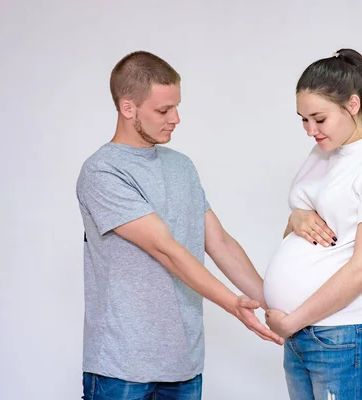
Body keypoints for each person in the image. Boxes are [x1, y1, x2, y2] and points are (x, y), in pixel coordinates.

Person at [76, 50, 283, 400]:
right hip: (121, 368)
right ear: (128, 108)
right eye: (163, 110)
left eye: (176, 106)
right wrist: (233, 304)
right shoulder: (103, 172)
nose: (176, 118)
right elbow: (167, 250)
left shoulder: (181, 166)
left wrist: (273, 303)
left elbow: (219, 243)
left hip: (184, 365)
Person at [264, 48, 362, 400]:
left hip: (344, 336)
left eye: (319, 118)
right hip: (305, 334)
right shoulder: (323, 152)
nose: (310, 130)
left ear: (353, 105)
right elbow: (300, 231)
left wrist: (293, 320)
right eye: (302, 119)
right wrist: (295, 217)